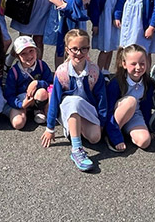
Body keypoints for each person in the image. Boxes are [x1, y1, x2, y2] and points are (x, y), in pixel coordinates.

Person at [41, 29, 107, 172]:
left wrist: (102, 123)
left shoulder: (94, 71)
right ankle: (76, 149)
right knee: (74, 101)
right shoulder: (62, 72)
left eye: (84, 48)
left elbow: (102, 99)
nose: (79, 52)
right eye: (74, 49)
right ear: (67, 49)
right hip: (68, 108)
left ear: (88, 49)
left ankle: (74, 128)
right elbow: (55, 99)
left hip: (87, 110)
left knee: (95, 138)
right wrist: (50, 128)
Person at [105, 44, 154, 152]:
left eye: (142, 64)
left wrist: (148, 127)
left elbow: (146, 107)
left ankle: (125, 130)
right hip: (117, 115)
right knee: (131, 101)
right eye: (133, 64)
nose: (138, 67)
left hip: (134, 115)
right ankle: (111, 134)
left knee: (144, 142)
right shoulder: (116, 83)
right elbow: (108, 111)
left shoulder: (148, 83)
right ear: (124, 64)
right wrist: (116, 138)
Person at [4, 35, 53, 130]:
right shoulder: (14, 72)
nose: (29, 56)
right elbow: (9, 94)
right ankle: (23, 111)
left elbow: (50, 82)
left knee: (42, 92)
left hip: (37, 97)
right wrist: (21, 104)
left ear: (36, 51)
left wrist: (37, 83)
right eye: (23, 53)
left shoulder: (42, 65)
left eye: (31, 51)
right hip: (21, 100)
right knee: (18, 124)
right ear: (18, 56)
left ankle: (38, 109)